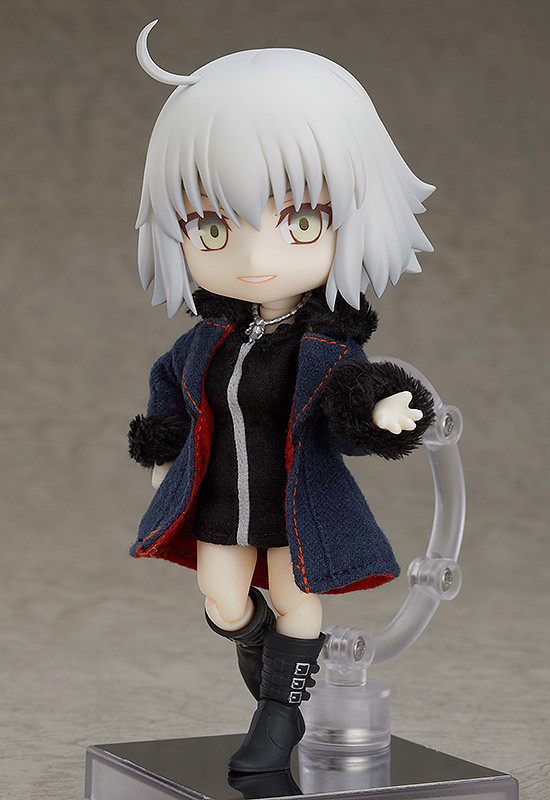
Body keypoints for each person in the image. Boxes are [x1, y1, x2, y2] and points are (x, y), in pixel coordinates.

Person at [128, 21, 435, 772]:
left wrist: (382, 412)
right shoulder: (206, 341)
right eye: (211, 226)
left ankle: (279, 715)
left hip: (299, 505)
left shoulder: (325, 346)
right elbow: (171, 389)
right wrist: (164, 446)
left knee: (298, 598)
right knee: (222, 599)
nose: (255, 256)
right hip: (221, 500)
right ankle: (275, 666)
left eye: (300, 221)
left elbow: (351, 394)